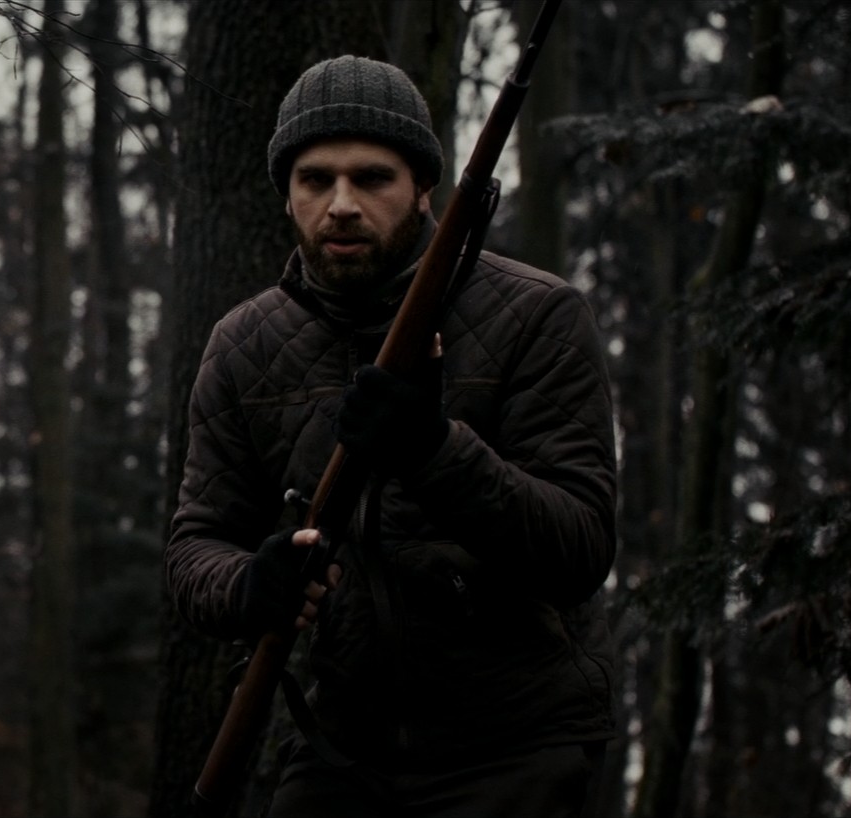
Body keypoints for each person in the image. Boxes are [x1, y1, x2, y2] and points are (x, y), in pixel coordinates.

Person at [164, 55, 618, 817]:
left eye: (372, 178)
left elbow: (579, 545)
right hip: (344, 747)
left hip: (520, 747)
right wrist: (251, 585)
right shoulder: (243, 346)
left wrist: (433, 450)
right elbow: (194, 548)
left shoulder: (540, 316)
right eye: (315, 180)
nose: (340, 204)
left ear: (424, 189)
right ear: (287, 195)